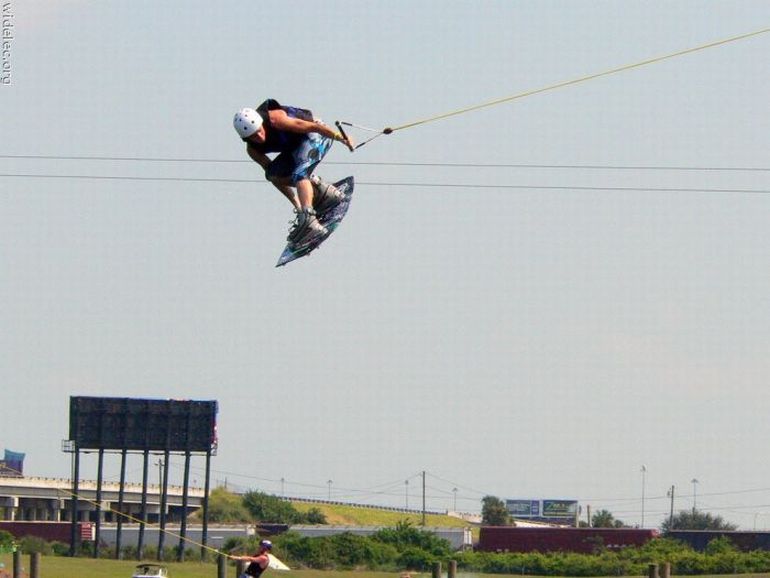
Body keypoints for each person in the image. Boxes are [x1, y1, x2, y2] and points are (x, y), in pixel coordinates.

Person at [233, 99, 354, 245]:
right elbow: (276, 180)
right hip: (295, 148)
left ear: (262, 123)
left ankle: (309, 218)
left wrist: (339, 137)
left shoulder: (276, 119)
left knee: (299, 174)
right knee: (272, 175)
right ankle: (322, 192)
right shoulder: (253, 150)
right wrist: (296, 205)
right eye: (253, 136)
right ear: (245, 139)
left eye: (259, 130)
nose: (259, 137)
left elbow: (313, 127)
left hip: (317, 134)